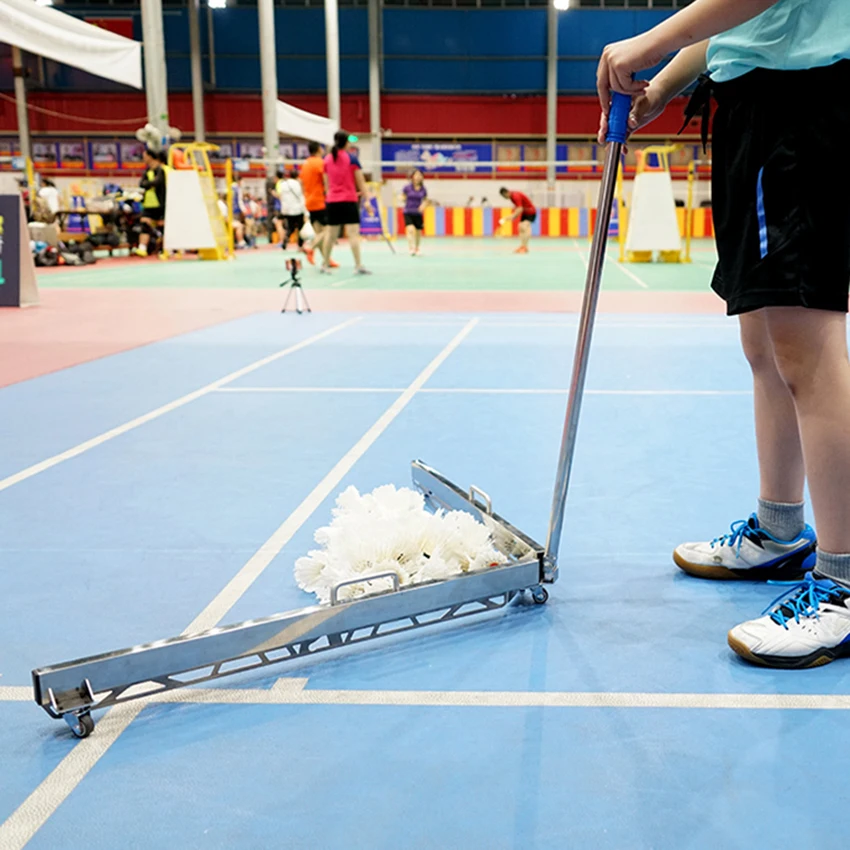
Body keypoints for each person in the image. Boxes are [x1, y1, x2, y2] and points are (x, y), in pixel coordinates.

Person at [596, 0, 850, 669]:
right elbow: (744, 22)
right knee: (764, 343)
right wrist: (667, 82)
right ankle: (778, 530)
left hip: (803, 101)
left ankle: (844, 584)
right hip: (753, 99)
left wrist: (651, 42)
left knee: (806, 345)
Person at [322, 130, 371, 275]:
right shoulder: (352, 159)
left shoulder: (326, 159)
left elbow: (326, 183)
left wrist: (332, 194)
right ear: (347, 142)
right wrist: (367, 198)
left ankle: (325, 264)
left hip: (332, 201)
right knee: (353, 235)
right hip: (349, 200)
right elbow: (360, 182)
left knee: (330, 235)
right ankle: (358, 265)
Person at [300, 141, 336, 268]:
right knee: (329, 231)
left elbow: (301, 182)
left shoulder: (305, 164)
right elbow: (326, 180)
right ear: (318, 149)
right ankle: (310, 247)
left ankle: (327, 259)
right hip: (320, 201)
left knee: (319, 232)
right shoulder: (320, 162)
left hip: (309, 202)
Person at [133, 148, 166, 257]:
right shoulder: (147, 171)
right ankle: (142, 248)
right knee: (144, 224)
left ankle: (166, 250)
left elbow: (158, 182)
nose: (143, 158)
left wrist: (149, 183)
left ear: (151, 156)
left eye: (145, 155)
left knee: (163, 226)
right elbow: (142, 183)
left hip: (161, 203)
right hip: (148, 203)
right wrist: (150, 183)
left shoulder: (163, 169)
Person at [275, 167, 309, 259]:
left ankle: (285, 240)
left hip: (287, 210)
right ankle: (300, 245)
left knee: (290, 227)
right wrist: (305, 210)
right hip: (298, 209)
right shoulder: (298, 183)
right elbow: (301, 196)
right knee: (301, 228)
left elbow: (281, 196)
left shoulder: (283, 184)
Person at [498, 187, 536, 254]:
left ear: (506, 193)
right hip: (525, 213)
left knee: (524, 226)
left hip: (530, 212)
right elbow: (519, 209)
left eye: (504, 196)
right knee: (520, 227)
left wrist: (508, 218)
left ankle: (525, 247)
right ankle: (522, 246)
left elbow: (520, 209)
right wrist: (513, 216)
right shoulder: (512, 197)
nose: (504, 198)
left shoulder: (515, 196)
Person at [400, 169, 428, 256]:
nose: (418, 176)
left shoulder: (423, 189)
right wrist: (401, 198)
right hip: (408, 211)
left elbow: (425, 200)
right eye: (416, 175)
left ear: (422, 177)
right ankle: (411, 248)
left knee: (418, 232)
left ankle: (417, 248)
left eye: (420, 175)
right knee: (410, 229)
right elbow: (402, 196)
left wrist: (423, 205)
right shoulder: (407, 187)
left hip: (418, 213)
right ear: (413, 176)